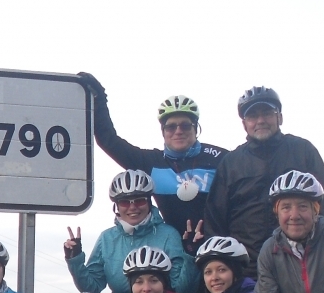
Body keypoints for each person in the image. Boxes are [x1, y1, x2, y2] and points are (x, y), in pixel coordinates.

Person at [78, 74, 226, 246]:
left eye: (185, 125)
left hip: (216, 252)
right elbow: (109, 141)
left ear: (196, 128)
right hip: (173, 251)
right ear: (163, 131)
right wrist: (100, 100)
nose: (178, 131)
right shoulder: (151, 163)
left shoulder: (219, 158)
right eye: (171, 126)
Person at [204, 86, 324, 265]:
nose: (260, 120)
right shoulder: (231, 163)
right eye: (252, 116)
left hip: (301, 264)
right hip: (248, 269)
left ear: (280, 117)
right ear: (244, 124)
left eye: (267, 113)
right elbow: (215, 221)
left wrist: (313, 251)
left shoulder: (303, 151)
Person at [63, 170, 195, 293]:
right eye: (125, 202)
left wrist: (190, 255)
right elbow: (91, 288)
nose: (132, 208)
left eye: (139, 201)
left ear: (149, 202)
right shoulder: (107, 238)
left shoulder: (169, 234)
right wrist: (75, 260)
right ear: (116, 206)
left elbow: (182, 289)